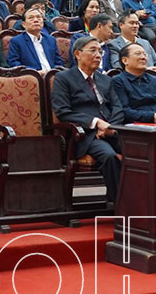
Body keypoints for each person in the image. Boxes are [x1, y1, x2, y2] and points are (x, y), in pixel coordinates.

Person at [50, 35, 124, 204]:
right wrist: (96, 123)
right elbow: (63, 112)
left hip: (111, 131)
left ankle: (144, 201)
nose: (98, 55)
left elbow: (118, 107)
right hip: (86, 135)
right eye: (93, 51)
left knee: (142, 152)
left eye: (100, 51)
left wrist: (110, 126)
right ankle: (119, 204)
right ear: (77, 54)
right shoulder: (64, 78)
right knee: (109, 156)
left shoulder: (106, 80)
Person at [111, 44, 156, 124]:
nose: (143, 57)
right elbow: (124, 110)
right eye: (138, 53)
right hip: (138, 127)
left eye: (144, 54)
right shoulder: (118, 81)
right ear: (125, 60)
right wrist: (152, 117)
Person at [5, 6, 62, 73]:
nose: (36, 20)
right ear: (23, 24)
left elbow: (58, 63)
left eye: (38, 17)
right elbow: (14, 63)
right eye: (31, 18)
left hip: (53, 77)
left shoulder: (51, 40)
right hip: (31, 78)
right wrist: (34, 72)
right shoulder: (17, 41)